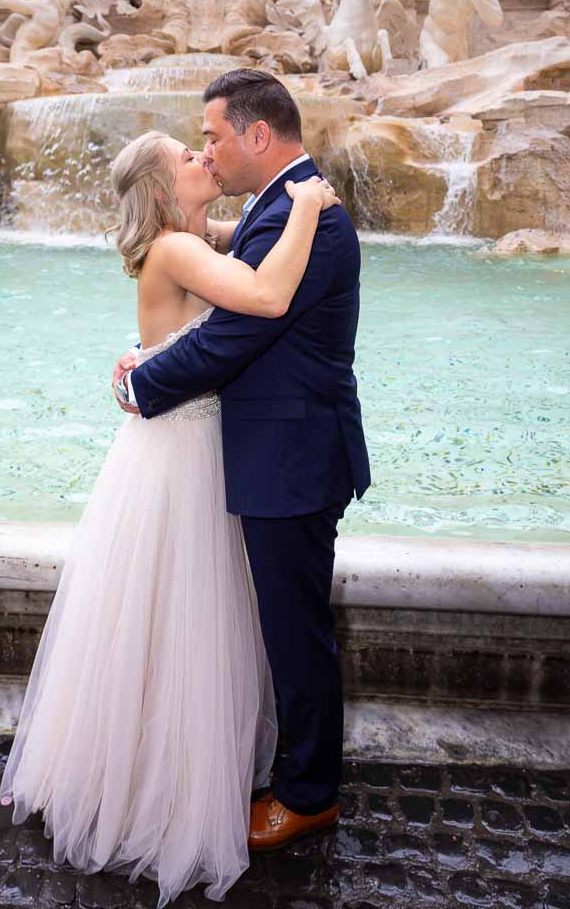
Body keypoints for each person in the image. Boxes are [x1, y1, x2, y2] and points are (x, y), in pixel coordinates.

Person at [0, 122, 340, 905]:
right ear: (161, 189)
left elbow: (227, 240)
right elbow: (263, 294)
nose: (203, 156)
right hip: (182, 462)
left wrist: (140, 359)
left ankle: (151, 766)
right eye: (187, 156)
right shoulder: (180, 250)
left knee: (160, 625)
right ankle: (164, 787)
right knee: (183, 620)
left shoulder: (187, 240)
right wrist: (307, 210)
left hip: (174, 452)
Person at [115, 68, 370, 852]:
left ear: (259, 136)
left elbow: (239, 331)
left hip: (289, 459)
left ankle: (307, 795)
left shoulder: (308, 215)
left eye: (216, 137)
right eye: (196, 147)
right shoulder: (278, 208)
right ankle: (269, 770)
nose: (209, 150)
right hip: (263, 454)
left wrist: (141, 381)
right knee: (274, 627)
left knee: (294, 634)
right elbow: (225, 282)